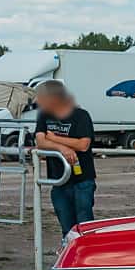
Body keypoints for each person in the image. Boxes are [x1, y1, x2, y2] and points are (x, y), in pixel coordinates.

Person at [32, 79, 96, 234]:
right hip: (58, 179)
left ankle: (86, 248)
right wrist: (62, 148)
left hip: (82, 180)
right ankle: (69, 248)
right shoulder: (44, 115)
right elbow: (40, 142)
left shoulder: (81, 115)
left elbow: (83, 145)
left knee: (84, 223)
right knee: (66, 226)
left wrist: (54, 138)